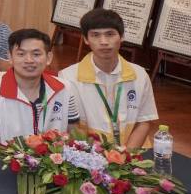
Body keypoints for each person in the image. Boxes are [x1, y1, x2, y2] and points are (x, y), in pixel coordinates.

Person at [58, 8, 157, 147]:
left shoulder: (139, 74)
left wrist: (127, 155)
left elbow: (144, 121)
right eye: (95, 35)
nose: (104, 41)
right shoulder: (68, 77)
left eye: (110, 34)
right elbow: (70, 128)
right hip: (90, 153)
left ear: (122, 36)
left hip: (133, 153)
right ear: (86, 39)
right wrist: (94, 156)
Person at [0, 29, 79, 147]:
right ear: (10, 57)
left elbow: (74, 137)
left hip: (55, 157)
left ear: (49, 58)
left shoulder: (65, 89)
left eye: (36, 54)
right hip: (8, 158)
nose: (29, 60)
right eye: (21, 54)